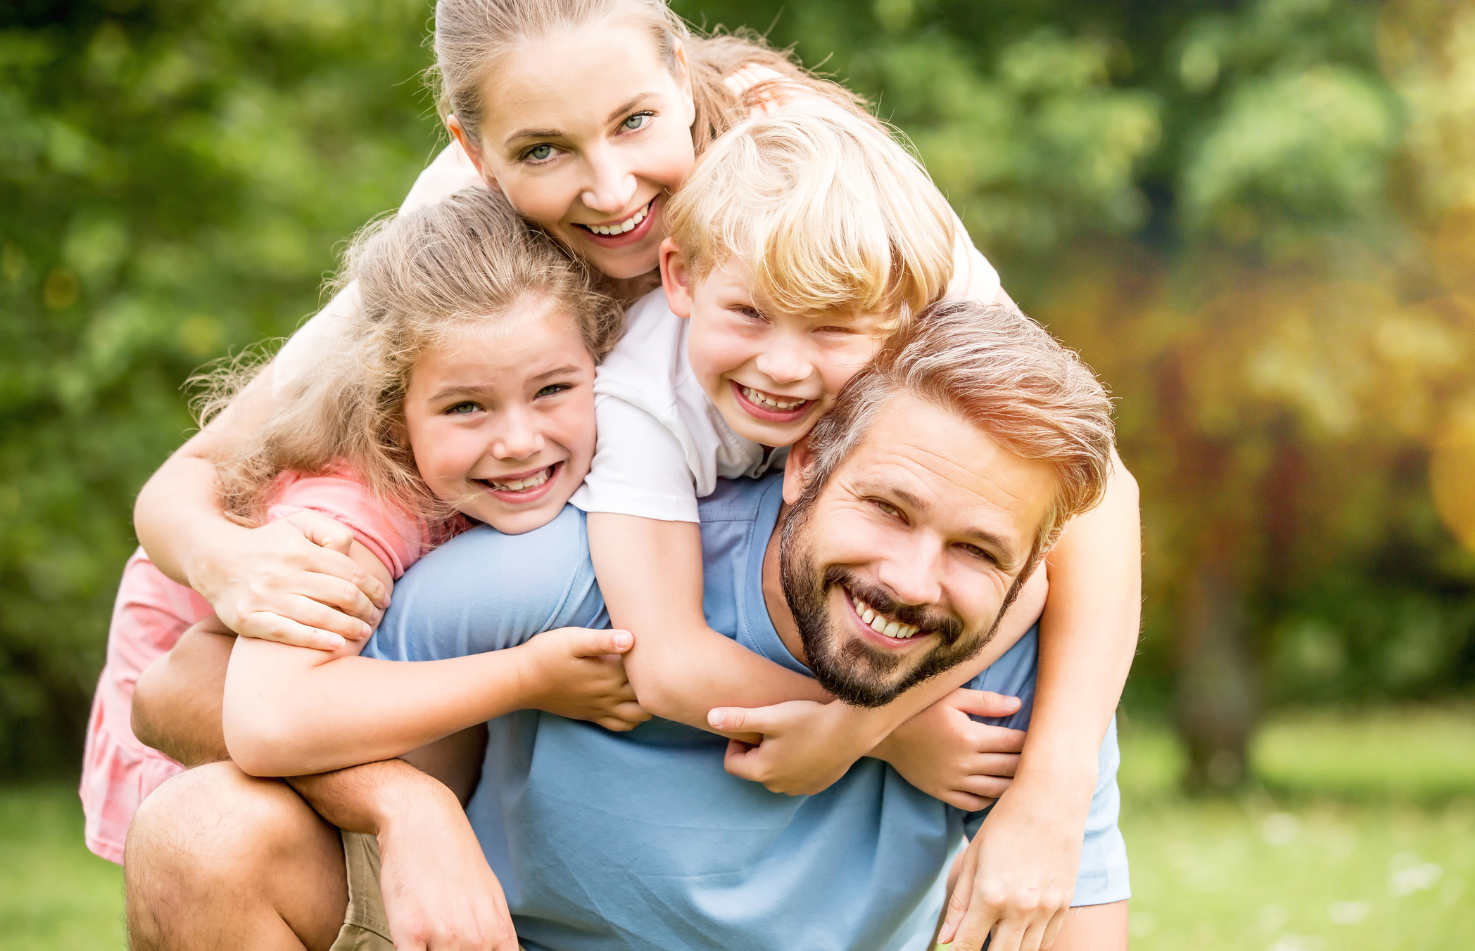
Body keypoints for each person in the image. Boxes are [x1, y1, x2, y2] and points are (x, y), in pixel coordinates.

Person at [121, 0, 1142, 940]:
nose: (610, 190)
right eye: (543, 150)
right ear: (473, 151)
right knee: (209, 822)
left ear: (682, 74)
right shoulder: (466, 274)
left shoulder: (824, 203)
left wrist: (1036, 791)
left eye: (635, 124)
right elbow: (185, 572)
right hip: (368, 607)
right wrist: (227, 563)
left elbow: (1081, 492)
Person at [127, 300, 1129, 951]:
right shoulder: (590, 564)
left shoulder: (1027, 676)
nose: (912, 581)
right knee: (206, 831)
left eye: (977, 550)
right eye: (891, 509)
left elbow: (1076, 923)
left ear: (1034, 566)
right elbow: (181, 692)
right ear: (808, 462)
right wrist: (403, 802)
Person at [79, 188, 645, 865]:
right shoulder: (354, 513)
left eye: (552, 389)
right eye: (467, 407)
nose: (520, 441)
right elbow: (270, 722)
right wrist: (528, 677)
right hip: (195, 705)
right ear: (391, 415)